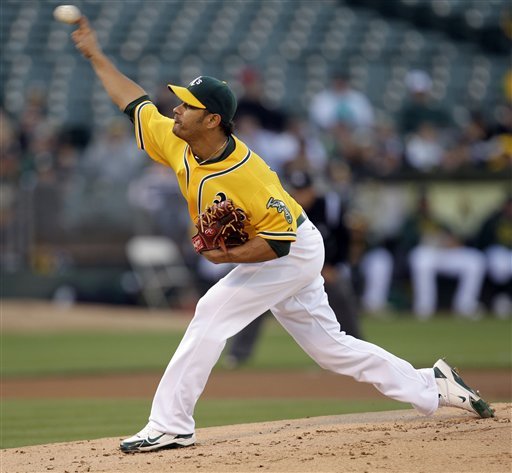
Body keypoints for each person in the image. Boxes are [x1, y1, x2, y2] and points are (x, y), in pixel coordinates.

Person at [71, 16, 494, 453]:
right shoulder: (178, 140)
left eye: (187, 105)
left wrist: (226, 257)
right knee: (330, 349)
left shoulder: (247, 175)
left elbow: (277, 244)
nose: (175, 109)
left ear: (212, 119)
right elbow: (134, 102)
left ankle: (171, 424)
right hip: (285, 247)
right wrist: (96, 55)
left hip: (290, 250)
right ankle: (432, 384)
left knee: (212, 312)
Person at [224, 170, 362, 368]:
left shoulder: (329, 207)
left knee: (340, 293)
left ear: (312, 190)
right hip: (281, 269)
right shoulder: (278, 206)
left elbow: (343, 240)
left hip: (322, 270)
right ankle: (238, 354)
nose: (300, 195)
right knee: (255, 301)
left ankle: (356, 348)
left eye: (303, 191)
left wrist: (336, 266)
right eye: (296, 191)